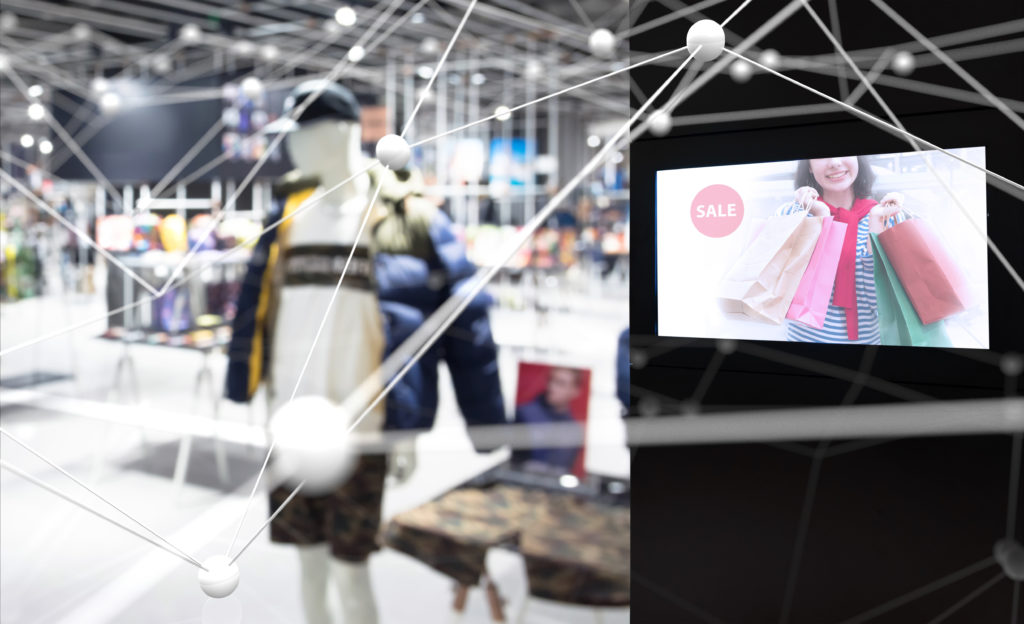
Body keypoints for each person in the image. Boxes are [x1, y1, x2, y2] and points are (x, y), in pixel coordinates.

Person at [783, 156, 903, 344]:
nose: (835, 162)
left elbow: (882, 306)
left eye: (844, 152)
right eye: (822, 155)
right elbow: (783, 291)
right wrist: (820, 217)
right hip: (802, 344)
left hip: (867, 349)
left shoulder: (883, 218)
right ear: (809, 167)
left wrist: (875, 227)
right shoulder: (792, 213)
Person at [513, 367, 585, 472]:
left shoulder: (575, 431)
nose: (552, 387)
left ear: (575, 391)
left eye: (560, 383)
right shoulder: (524, 415)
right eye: (551, 380)